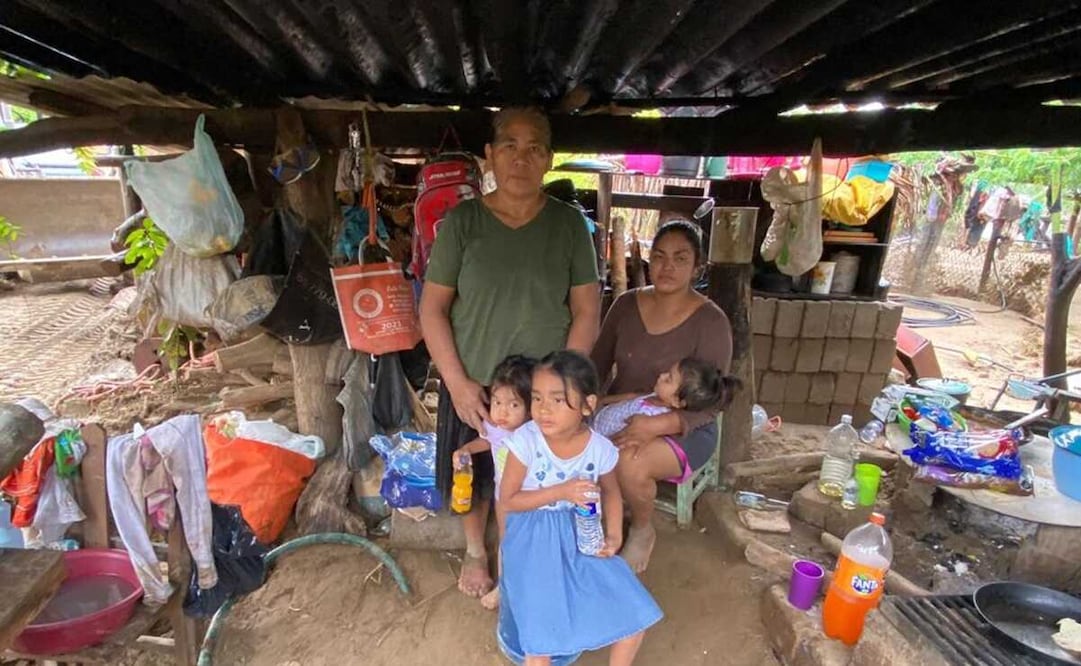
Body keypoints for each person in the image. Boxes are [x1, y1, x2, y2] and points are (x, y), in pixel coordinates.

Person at [419, 107, 600, 599]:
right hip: (477, 383)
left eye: (535, 147)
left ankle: (520, 556)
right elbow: (432, 309)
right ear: (489, 155)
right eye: (510, 146)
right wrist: (456, 383)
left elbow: (586, 309)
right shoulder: (463, 223)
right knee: (474, 476)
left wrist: (562, 386)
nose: (522, 157)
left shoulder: (568, 226)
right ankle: (477, 550)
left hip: (544, 392)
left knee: (543, 479)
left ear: (549, 158)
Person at [498, 351, 662, 665]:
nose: (543, 409)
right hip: (532, 537)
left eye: (557, 400)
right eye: (536, 398)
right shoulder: (526, 442)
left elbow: (612, 492)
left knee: (633, 611)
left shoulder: (598, 447)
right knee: (540, 636)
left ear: (588, 404)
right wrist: (560, 491)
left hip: (581, 533)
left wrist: (613, 536)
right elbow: (509, 500)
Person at [590, 220, 733, 574]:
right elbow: (596, 365)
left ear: (697, 268)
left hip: (686, 427)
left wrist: (658, 425)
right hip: (625, 411)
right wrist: (585, 402)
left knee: (629, 461)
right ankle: (606, 513)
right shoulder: (624, 306)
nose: (667, 267)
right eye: (659, 256)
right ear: (648, 261)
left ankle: (642, 528)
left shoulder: (711, 322)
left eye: (680, 258)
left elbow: (712, 402)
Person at [451, 355, 536, 610]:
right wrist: (465, 449)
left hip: (534, 500)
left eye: (513, 404)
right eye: (497, 401)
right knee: (506, 540)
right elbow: (489, 441)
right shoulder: (495, 426)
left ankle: (530, 587)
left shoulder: (534, 433)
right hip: (504, 497)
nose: (502, 411)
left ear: (531, 408)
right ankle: (504, 586)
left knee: (533, 542)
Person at [593, 357, 738, 441]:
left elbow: (625, 435)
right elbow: (632, 397)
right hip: (596, 419)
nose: (662, 375)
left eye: (668, 379)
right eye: (667, 373)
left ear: (676, 401)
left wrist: (600, 445)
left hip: (598, 437)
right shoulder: (653, 396)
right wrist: (603, 400)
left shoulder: (652, 416)